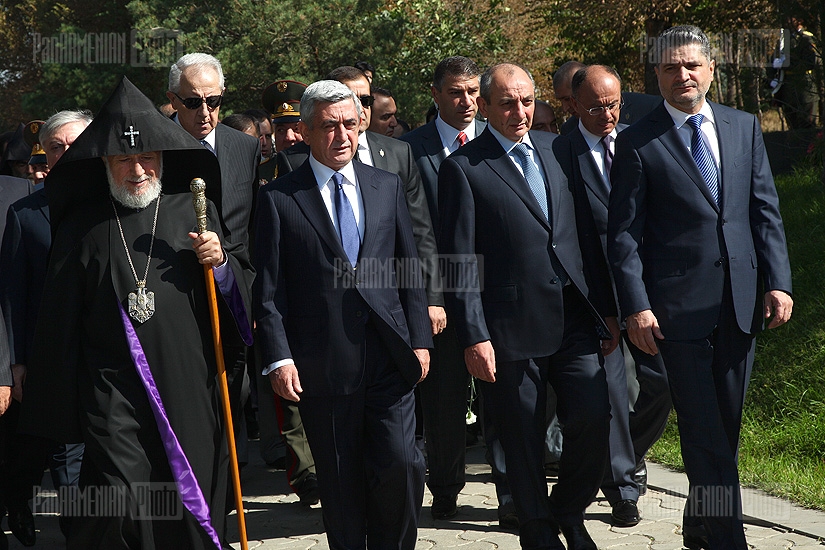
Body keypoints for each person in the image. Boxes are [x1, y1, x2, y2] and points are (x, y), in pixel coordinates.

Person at [19, 76, 254, 549]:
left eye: (146, 157)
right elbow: (58, 323)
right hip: (113, 391)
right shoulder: (84, 227)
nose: (137, 170)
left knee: (192, 499)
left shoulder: (194, 212)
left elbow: (239, 301)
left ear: (162, 158)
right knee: (121, 495)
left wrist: (222, 264)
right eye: (124, 159)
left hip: (188, 381)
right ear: (105, 162)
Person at [608, 25, 793, 550]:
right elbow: (623, 235)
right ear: (658, 76)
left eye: (691, 65)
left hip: (739, 305)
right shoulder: (638, 142)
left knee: (724, 429)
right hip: (675, 313)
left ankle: (699, 520)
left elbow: (764, 210)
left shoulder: (742, 126)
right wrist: (636, 306)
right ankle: (728, 536)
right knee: (704, 430)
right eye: (670, 67)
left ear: (711, 69)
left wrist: (778, 281)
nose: (682, 75)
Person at [438, 62, 619, 550]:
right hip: (508, 327)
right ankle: (538, 529)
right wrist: (474, 334)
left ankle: (569, 509)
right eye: (507, 103)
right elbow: (457, 260)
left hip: (574, 317)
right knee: (520, 436)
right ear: (486, 107)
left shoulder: (556, 150)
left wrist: (606, 308)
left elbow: (584, 237)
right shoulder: (464, 168)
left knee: (594, 416)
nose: (520, 111)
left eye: (527, 100)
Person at [254, 79, 431, 549]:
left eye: (350, 124)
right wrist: (279, 357)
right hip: (323, 366)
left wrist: (420, 339)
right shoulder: (278, 198)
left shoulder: (386, 185)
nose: (342, 136)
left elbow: (408, 268)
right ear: (307, 132)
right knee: (341, 483)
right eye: (329, 127)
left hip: (390, 356)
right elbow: (268, 291)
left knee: (403, 465)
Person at [400, 54, 515, 525]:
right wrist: (427, 297)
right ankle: (444, 488)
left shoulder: (501, 143)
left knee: (503, 398)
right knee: (444, 403)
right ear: (435, 95)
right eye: (456, 92)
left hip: (496, 297)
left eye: (473, 93)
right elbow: (408, 231)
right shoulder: (410, 150)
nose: (466, 102)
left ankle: (511, 491)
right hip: (440, 301)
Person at [567, 64, 672, 528]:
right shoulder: (558, 151)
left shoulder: (641, 140)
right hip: (594, 295)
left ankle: (626, 450)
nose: (607, 114)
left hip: (647, 289)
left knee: (663, 383)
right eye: (595, 107)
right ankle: (622, 488)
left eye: (613, 104)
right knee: (609, 392)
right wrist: (600, 308)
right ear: (573, 106)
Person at [0, 109, 92, 544]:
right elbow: (13, 296)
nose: (67, 153)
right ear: (45, 157)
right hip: (52, 364)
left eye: (76, 144)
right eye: (58, 147)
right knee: (68, 467)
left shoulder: (123, 203)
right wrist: (17, 364)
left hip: (115, 361)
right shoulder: (24, 214)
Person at [167, 52, 260, 472]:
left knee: (232, 401)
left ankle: (221, 503)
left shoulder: (244, 146)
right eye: (192, 102)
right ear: (173, 100)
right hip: (175, 297)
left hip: (232, 293)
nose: (205, 112)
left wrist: (253, 296)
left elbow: (254, 230)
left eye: (214, 101)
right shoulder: (156, 148)